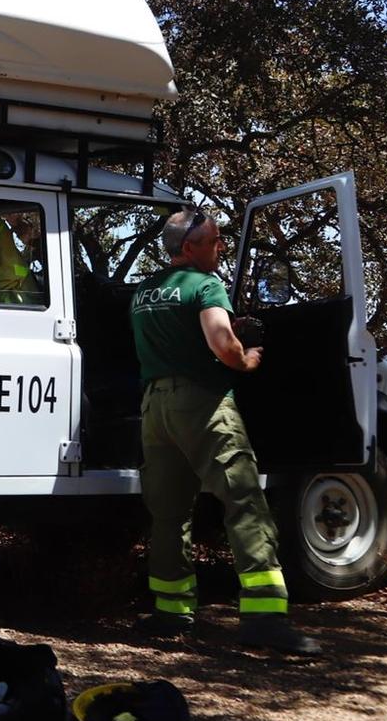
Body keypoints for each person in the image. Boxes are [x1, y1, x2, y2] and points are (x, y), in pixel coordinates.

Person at [130, 207, 319, 655]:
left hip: (154, 409)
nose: (220, 249)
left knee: (169, 512)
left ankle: (171, 612)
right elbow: (220, 343)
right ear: (190, 247)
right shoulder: (205, 284)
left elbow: (171, 339)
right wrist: (247, 356)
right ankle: (265, 619)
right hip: (203, 404)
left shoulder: (142, 291)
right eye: (215, 242)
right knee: (245, 504)